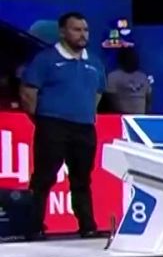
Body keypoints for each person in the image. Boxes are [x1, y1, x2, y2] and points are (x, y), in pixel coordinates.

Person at [20, 12, 103, 238]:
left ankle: (87, 226)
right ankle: (33, 226)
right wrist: (44, 120)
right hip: (53, 125)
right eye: (76, 30)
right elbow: (28, 94)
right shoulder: (45, 59)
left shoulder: (94, 62)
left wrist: (84, 114)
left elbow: (97, 94)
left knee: (82, 178)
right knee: (44, 177)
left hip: (84, 127)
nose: (82, 34)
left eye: (85, 30)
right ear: (62, 32)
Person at [103, 25, 152, 115]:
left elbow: (148, 99)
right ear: (122, 60)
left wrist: (146, 115)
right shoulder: (113, 76)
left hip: (140, 118)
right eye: (129, 58)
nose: (132, 60)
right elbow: (110, 100)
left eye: (133, 58)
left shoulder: (143, 76)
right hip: (121, 118)